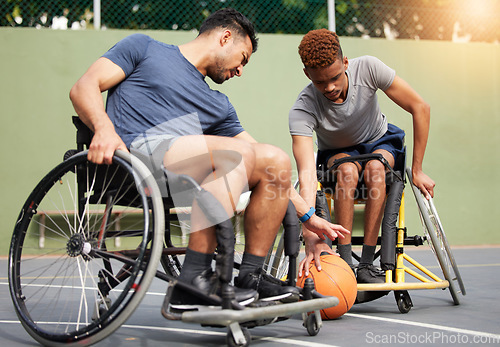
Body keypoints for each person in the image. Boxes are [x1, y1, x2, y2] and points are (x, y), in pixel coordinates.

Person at [70, 10, 349, 312]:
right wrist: (104, 129)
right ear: (225, 37)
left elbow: (261, 156)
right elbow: (83, 86)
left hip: (181, 172)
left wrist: (309, 216)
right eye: (242, 58)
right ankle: (194, 278)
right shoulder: (144, 48)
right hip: (131, 157)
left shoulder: (219, 105)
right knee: (237, 154)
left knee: (275, 159)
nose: (240, 70)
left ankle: (250, 278)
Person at [289, 29, 435, 289]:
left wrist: (419, 169)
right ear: (306, 75)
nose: (330, 87)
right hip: (338, 153)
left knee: (376, 169)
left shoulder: (368, 68)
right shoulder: (303, 107)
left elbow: (420, 107)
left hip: (380, 142)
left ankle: (367, 264)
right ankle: (345, 262)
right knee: (346, 170)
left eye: (335, 77)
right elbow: (307, 174)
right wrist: (309, 225)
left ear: (346, 63)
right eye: (320, 82)